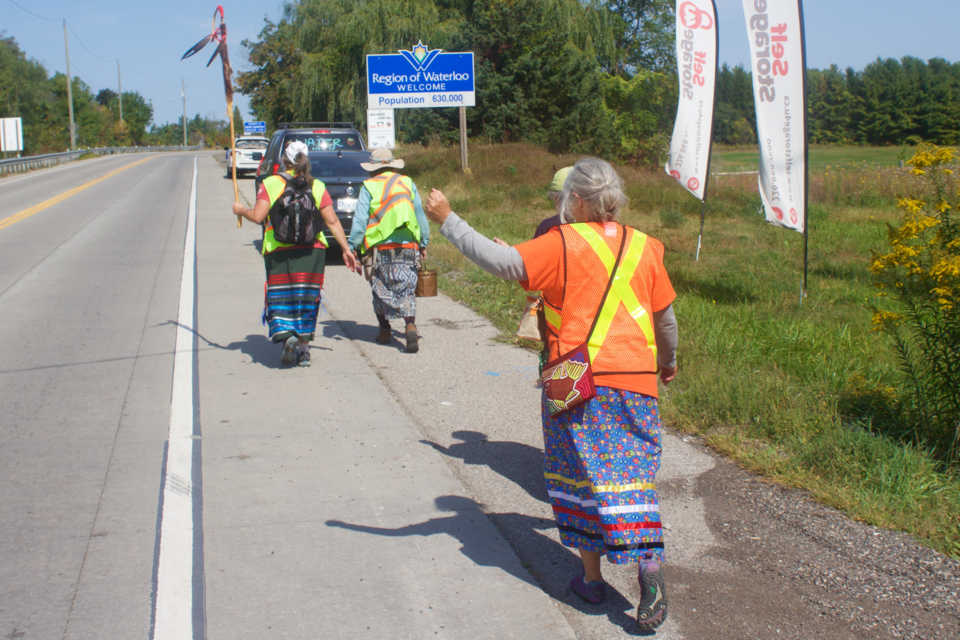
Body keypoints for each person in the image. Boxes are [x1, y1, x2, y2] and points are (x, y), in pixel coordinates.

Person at [424, 157, 678, 631]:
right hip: (636, 380)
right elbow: (664, 319)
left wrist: (448, 220)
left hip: (574, 380)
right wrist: (668, 361)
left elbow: (502, 262)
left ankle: (591, 580)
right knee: (633, 477)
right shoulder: (648, 246)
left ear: (576, 199)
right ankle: (648, 564)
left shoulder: (561, 242)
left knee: (577, 476)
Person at [232, 141, 359, 367]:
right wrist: (346, 250)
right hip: (312, 252)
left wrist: (241, 209)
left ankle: (286, 336)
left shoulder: (270, 183)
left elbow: (259, 216)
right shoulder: (317, 186)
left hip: (277, 251)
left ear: (284, 160)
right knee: (306, 299)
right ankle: (303, 351)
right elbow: (332, 220)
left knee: (282, 298)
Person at [349, 148, 430, 353]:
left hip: (379, 246)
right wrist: (423, 241)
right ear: (393, 165)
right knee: (407, 286)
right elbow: (419, 213)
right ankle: (410, 325)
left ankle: (385, 330)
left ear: (373, 168)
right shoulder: (407, 182)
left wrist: (352, 246)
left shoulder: (369, 186)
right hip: (407, 244)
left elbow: (360, 220)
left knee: (379, 286)